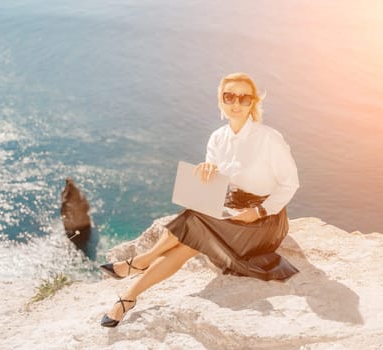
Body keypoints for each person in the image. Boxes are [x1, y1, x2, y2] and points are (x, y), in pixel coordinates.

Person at [99, 72, 300, 328]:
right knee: (187, 243)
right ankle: (127, 298)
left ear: (253, 103)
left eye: (244, 98)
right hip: (232, 212)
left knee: (193, 220)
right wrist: (207, 172)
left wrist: (260, 211)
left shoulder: (269, 139)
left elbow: (290, 184)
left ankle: (140, 262)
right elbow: (216, 184)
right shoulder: (217, 138)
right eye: (230, 96)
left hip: (264, 221)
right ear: (221, 101)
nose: (236, 103)